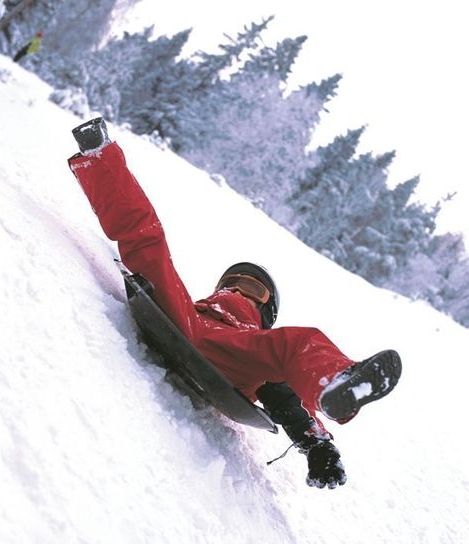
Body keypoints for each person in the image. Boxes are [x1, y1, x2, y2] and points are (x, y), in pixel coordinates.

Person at [68, 117, 402, 489]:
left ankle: (337, 383)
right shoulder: (193, 305)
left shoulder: (261, 344)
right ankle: (101, 157)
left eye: (254, 291)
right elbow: (141, 240)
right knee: (150, 242)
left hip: (235, 355)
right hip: (185, 320)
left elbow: (284, 400)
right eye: (236, 284)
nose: (241, 292)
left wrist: (316, 444)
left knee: (299, 342)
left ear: (266, 312)